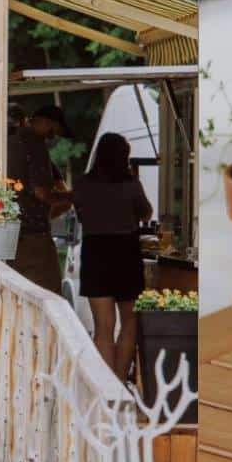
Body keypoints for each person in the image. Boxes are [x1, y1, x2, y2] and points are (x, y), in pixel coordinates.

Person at [72, 133, 153, 380]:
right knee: (130, 321)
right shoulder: (130, 184)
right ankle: (120, 381)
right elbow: (146, 213)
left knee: (103, 327)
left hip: (96, 251)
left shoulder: (83, 184)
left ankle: (106, 387)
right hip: (125, 252)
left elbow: (82, 216)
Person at [6, 104, 71, 296]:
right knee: (50, 295)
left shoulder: (11, 142)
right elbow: (42, 193)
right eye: (52, 130)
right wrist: (73, 196)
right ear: (45, 122)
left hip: (11, 234)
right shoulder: (34, 144)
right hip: (34, 236)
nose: (52, 136)